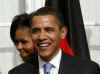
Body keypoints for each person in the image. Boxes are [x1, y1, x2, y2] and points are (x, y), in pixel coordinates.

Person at [30, 7, 100, 74]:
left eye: (49, 30)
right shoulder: (20, 71)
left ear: (63, 32)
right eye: (36, 31)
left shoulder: (87, 70)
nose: (41, 37)